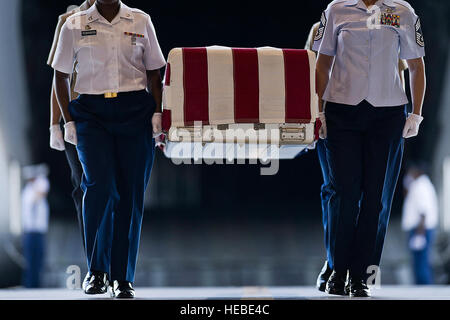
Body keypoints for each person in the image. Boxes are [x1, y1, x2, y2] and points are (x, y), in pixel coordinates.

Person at [52, 0, 165, 298]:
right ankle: (97, 271)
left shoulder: (140, 20)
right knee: (99, 186)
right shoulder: (74, 24)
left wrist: (157, 112)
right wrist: (66, 121)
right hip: (91, 113)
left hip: (135, 110)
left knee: (130, 193)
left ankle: (122, 278)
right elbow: (60, 76)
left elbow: (155, 72)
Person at [314, 0, 426, 297]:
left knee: (376, 199)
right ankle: (337, 269)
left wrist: (416, 113)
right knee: (344, 194)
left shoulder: (403, 11)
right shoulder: (337, 10)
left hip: (387, 114)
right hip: (342, 112)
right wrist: (318, 110)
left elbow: (416, 66)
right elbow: (322, 62)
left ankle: (361, 275)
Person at [48, 0, 95, 264]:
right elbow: (57, 79)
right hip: (74, 116)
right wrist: (56, 123)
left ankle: (109, 254)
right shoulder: (67, 21)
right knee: (83, 186)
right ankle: (94, 259)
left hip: (109, 115)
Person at [402, 163, 438, 285]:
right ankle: (421, 283)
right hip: (420, 228)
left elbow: (423, 211)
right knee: (419, 260)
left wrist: (419, 234)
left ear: (418, 172)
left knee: (421, 260)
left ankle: (424, 285)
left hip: (420, 229)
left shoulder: (420, 186)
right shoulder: (419, 185)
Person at [21, 164, 50, 288]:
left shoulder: (36, 186)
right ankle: (29, 284)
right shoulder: (28, 191)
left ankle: (36, 283)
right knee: (30, 260)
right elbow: (39, 193)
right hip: (30, 231)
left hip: (39, 231)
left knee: (38, 259)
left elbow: (43, 190)